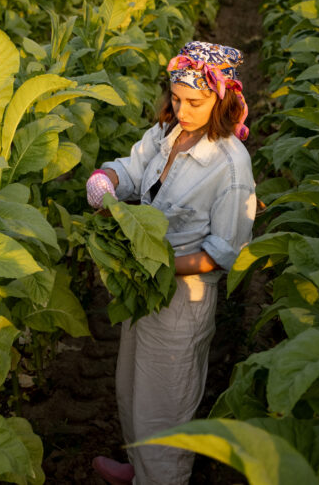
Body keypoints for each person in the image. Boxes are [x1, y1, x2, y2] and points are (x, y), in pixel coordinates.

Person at [85, 41, 257, 485]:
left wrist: (164, 266)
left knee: (165, 404)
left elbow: (227, 252)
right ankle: (140, 468)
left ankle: (161, 476)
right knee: (131, 388)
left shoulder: (231, 167)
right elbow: (134, 166)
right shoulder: (168, 135)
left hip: (182, 302)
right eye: (176, 98)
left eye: (195, 102)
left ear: (222, 100)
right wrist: (109, 179)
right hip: (143, 286)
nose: (182, 110)